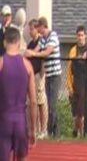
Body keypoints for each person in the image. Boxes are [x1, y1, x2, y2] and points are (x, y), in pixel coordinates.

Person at [0, 27, 37, 161]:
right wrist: (33, 129)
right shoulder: (27, 66)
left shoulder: (1, 63)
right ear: (19, 43)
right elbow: (33, 101)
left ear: (4, 43)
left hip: (3, 121)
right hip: (21, 121)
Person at [24, 16, 62, 138]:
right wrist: (28, 53)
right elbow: (36, 49)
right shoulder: (43, 39)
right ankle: (49, 132)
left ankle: (54, 132)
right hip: (49, 75)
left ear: (43, 26)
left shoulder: (53, 36)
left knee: (52, 104)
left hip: (55, 75)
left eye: (38, 27)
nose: (37, 30)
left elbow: (46, 52)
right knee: (49, 103)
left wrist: (33, 53)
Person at [66, 26, 87, 138]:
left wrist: (86, 56)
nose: (80, 37)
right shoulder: (73, 50)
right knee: (75, 112)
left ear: (85, 36)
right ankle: (75, 131)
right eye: (79, 35)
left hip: (84, 84)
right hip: (74, 82)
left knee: (81, 112)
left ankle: (81, 134)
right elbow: (68, 70)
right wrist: (69, 87)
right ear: (76, 36)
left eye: (82, 35)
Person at [27, 19, 48, 140]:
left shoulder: (41, 41)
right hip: (31, 76)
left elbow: (43, 57)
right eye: (29, 29)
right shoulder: (30, 43)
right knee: (31, 103)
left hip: (38, 75)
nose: (31, 31)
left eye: (32, 28)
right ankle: (34, 128)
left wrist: (42, 73)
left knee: (41, 102)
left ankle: (43, 129)